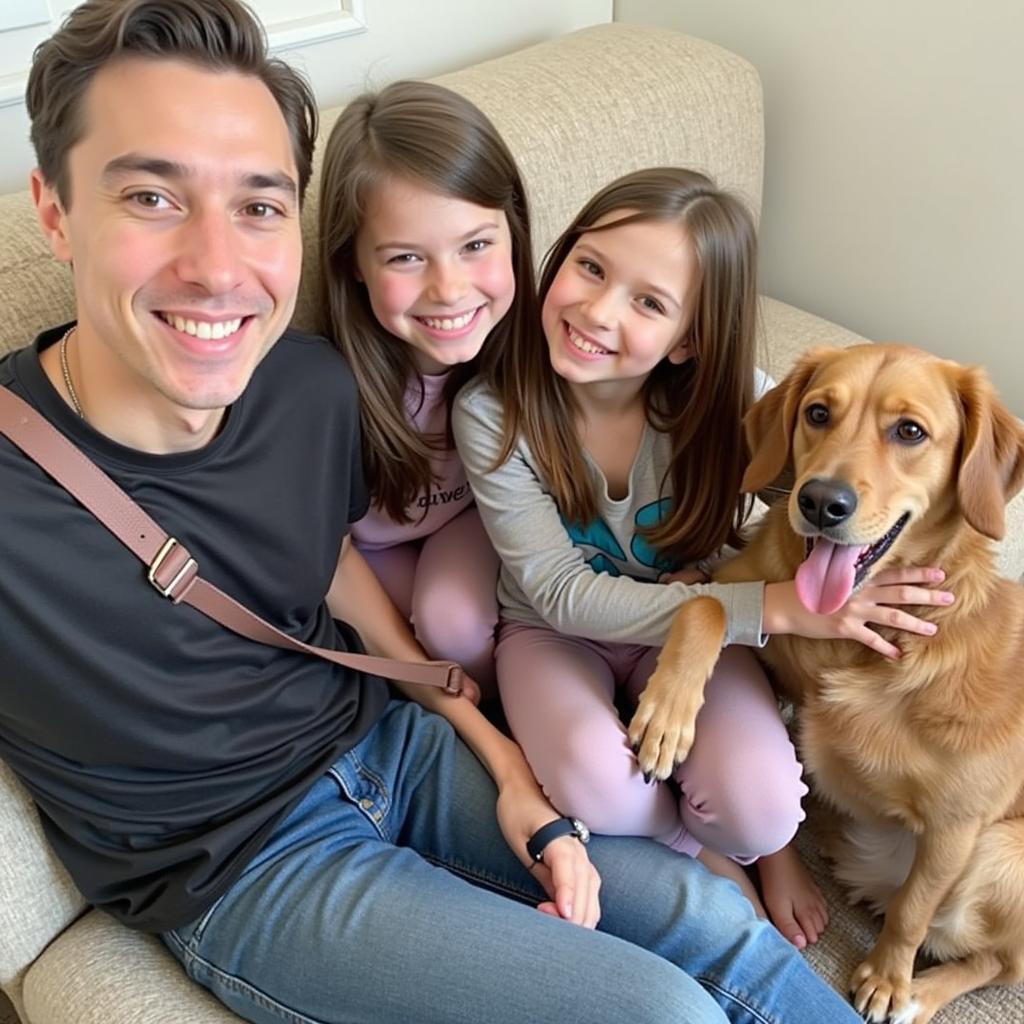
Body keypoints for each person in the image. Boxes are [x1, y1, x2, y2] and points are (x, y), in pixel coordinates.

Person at [0, 2, 886, 1022]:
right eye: (151, 195)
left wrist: (505, 762)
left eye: (256, 205)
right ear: (56, 212)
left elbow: (330, 570)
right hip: (245, 870)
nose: (216, 266)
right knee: (659, 1011)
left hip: (395, 751)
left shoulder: (302, 383)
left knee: (715, 925)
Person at [452, 167, 955, 950]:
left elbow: (842, 485)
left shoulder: (733, 407)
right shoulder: (491, 414)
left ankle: (763, 843)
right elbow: (556, 591)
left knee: (763, 803)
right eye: (590, 268)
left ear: (689, 338)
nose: (597, 309)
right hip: (557, 632)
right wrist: (776, 608)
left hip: (700, 636)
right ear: (559, 257)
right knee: (602, 793)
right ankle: (710, 852)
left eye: (648, 302)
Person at [316, 81, 526, 696]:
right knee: (448, 631)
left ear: (513, 231)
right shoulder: (326, 392)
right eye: (406, 258)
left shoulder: (534, 345)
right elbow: (332, 562)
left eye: (476, 245)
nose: (450, 289)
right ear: (353, 262)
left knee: (455, 621)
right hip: (368, 554)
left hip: (476, 521)